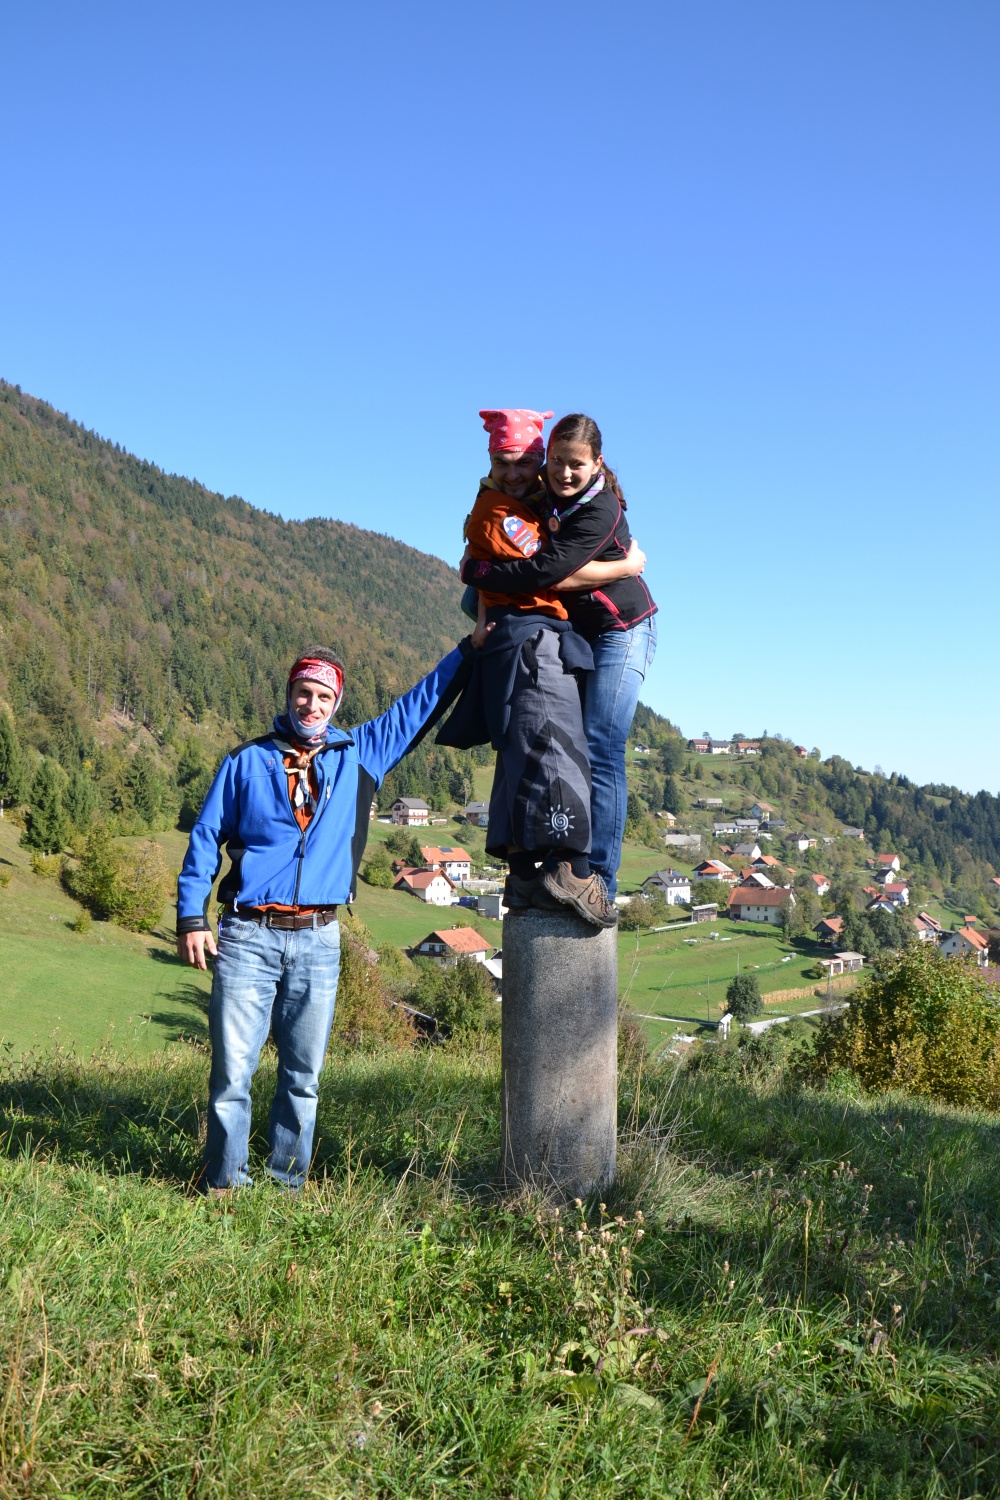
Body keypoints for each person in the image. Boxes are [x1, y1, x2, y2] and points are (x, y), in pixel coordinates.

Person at [176, 633, 483, 1192]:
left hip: (318, 939)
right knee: (232, 1074)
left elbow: (421, 703)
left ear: (336, 702)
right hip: (247, 934)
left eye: (322, 695)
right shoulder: (247, 761)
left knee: (302, 1077)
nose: (310, 705)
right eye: (302, 692)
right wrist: (191, 917)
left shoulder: (360, 754)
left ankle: (286, 1184)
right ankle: (223, 1186)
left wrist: (469, 647)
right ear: (288, 694)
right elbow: (205, 837)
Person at [460, 413, 657, 898]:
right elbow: (496, 542)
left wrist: (478, 572)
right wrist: (477, 580)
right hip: (578, 634)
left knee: (601, 746)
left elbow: (548, 574)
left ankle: (599, 879)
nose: (565, 473)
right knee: (570, 744)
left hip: (622, 630)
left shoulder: (601, 509)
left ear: (597, 464)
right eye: (556, 463)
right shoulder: (539, 495)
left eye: (576, 464)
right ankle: (561, 857)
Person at [438, 408, 617, 928]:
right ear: (490, 461)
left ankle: (520, 874)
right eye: (504, 461)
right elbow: (551, 571)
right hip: (532, 641)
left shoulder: (517, 504)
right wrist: (627, 566)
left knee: (522, 754)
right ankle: (574, 869)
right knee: (560, 748)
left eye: (525, 462)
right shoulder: (503, 513)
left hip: (515, 643)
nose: (515, 472)